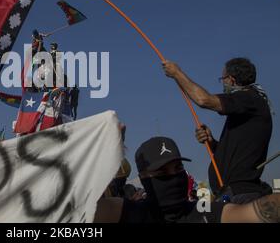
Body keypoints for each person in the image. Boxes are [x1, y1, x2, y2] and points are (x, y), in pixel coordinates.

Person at [94, 136, 280, 223]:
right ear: (143, 178)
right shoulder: (130, 212)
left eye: (178, 168)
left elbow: (251, 214)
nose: (174, 177)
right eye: (162, 172)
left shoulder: (204, 211)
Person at [163, 58, 273, 203]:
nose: (223, 83)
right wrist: (212, 142)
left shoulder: (248, 98)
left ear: (232, 80)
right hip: (231, 193)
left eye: (223, 79)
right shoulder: (248, 104)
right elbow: (235, 153)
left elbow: (204, 100)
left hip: (240, 195)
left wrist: (177, 73)